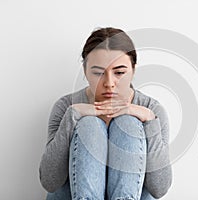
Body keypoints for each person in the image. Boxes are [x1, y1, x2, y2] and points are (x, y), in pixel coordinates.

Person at [39, 27, 172, 200]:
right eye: (98, 73)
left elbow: (159, 189)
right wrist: (72, 116)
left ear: (133, 70)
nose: (109, 83)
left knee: (128, 123)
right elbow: (50, 182)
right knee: (89, 124)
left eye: (119, 73)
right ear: (85, 71)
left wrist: (149, 120)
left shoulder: (151, 110)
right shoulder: (66, 106)